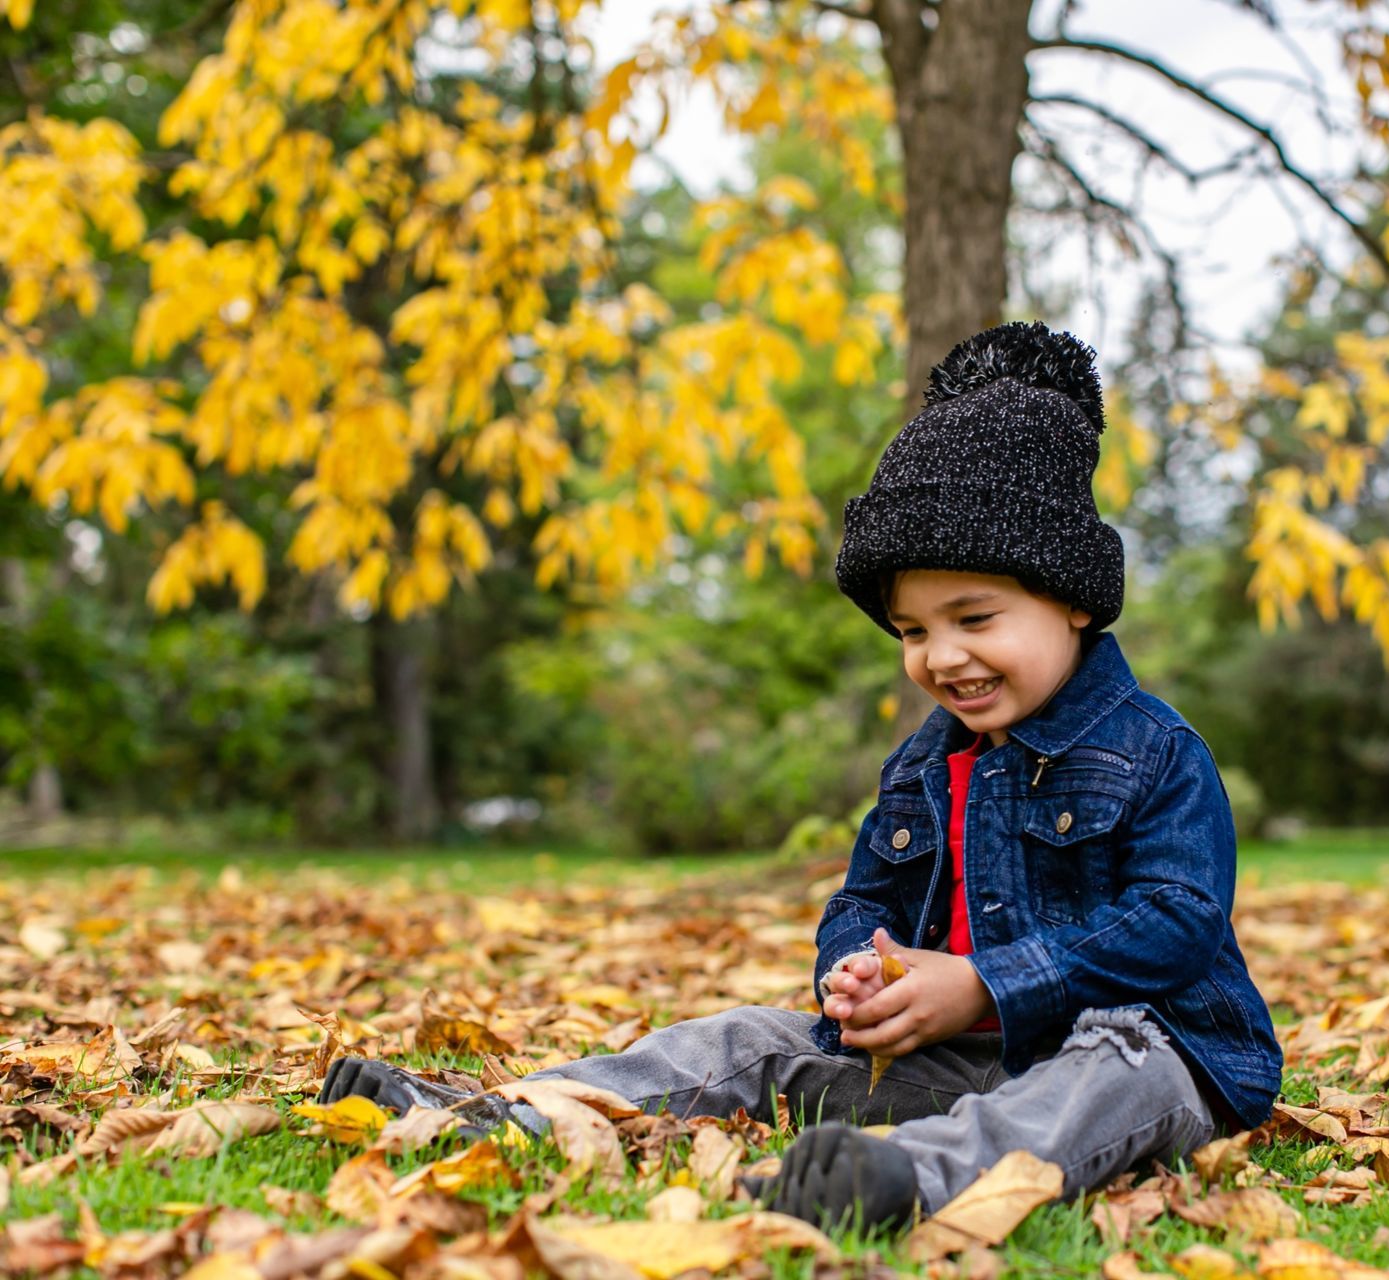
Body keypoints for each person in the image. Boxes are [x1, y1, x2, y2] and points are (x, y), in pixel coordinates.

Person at [319, 321, 1284, 1228]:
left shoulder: (1153, 749)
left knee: (1117, 1065)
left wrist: (985, 985)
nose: (941, 657)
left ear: (1071, 600)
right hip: (962, 1059)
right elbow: (865, 892)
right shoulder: (924, 765)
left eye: (974, 618)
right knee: (753, 1040)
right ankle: (514, 1110)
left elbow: (1176, 921)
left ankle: (917, 1175)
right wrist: (853, 972)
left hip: (1162, 1062)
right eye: (913, 631)